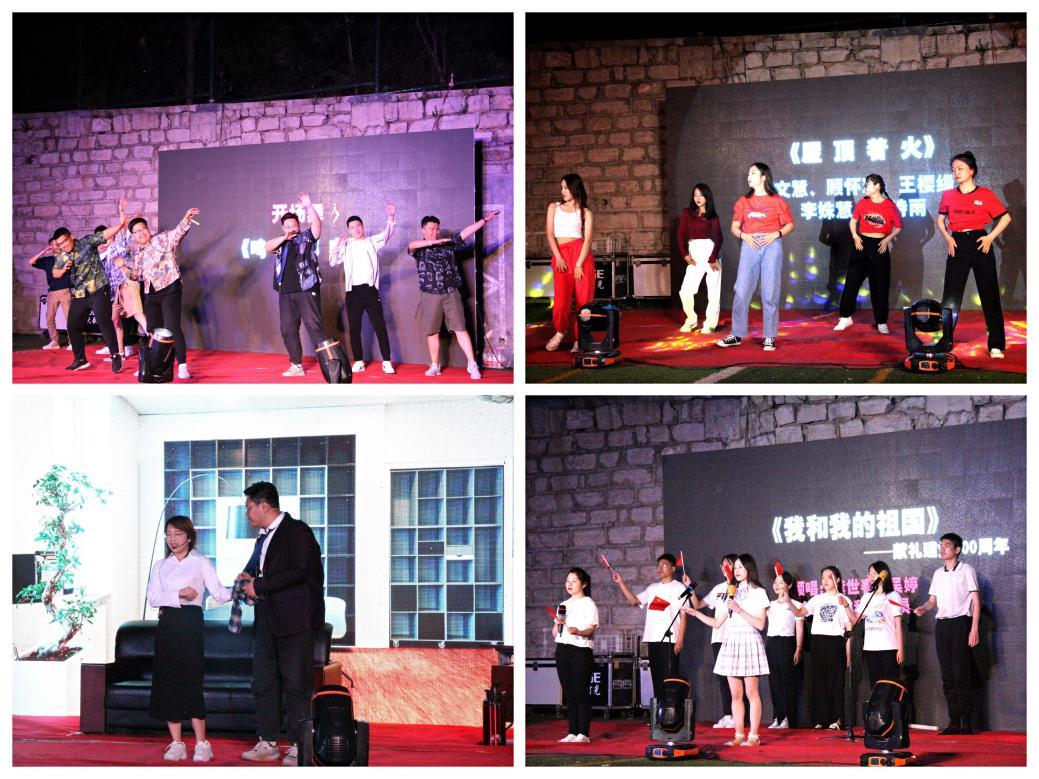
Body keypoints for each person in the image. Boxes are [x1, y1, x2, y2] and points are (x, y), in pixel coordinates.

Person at [238, 481, 325, 767]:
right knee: (264, 681)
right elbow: (262, 573)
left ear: (264, 506)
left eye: (248, 507)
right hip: (267, 618)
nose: (247, 514)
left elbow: (300, 571)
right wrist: (248, 579)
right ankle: (268, 742)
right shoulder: (262, 538)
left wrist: (259, 585)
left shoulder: (297, 532)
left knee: (296, 684)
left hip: (296, 621)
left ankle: (300, 745)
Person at [146, 516, 233, 762]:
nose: (172, 539)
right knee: (168, 682)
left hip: (191, 623)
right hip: (168, 624)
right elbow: (153, 598)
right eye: (168, 534)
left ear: (189, 536)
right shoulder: (160, 565)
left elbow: (218, 592)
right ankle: (177, 743)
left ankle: (202, 744)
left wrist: (239, 590)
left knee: (191, 680)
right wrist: (177, 593)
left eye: (177, 534)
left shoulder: (201, 562)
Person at [683, 554, 770, 747]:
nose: (736, 571)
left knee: (751, 693)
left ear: (749, 569)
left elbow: (760, 624)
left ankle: (753, 736)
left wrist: (739, 609)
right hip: (731, 642)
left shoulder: (759, 592)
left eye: (740, 567)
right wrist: (695, 613)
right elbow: (717, 622)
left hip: (749, 640)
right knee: (735, 694)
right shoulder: (730, 591)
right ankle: (739, 735)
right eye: (735, 568)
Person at [935, 151, 1013, 358]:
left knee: (990, 294)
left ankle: (996, 345)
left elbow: (1005, 218)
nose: (956, 173)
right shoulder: (948, 195)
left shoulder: (985, 194)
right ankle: (945, 341)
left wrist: (990, 238)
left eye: (960, 169)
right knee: (951, 296)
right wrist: (948, 237)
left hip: (980, 243)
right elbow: (940, 220)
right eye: (953, 170)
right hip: (957, 243)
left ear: (972, 170)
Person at [406, 210, 500, 379]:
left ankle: (472, 364)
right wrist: (433, 242)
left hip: (451, 293)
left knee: (460, 328)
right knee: (432, 331)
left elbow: (466, 232)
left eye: (437, 228)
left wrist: (485, 220)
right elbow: (411, 245)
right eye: (431, 229)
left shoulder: (447, 244)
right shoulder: (419, 249)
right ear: (423, 230)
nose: (435, 231)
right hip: (430, 294)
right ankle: (434, 365)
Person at [717, 162, 794, 352]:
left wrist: (776, 234)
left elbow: (790, 225)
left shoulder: (777, 200)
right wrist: (744, 235)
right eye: (748, 174)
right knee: (742, 289)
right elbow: (735, 227)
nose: (748, 176)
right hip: (749, 244)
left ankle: (769, 336)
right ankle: (736, 334)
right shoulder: (743, 201)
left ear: (763, 177)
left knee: (770, 291)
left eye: (753, 173)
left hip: (771, 245)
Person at [51, 198, 130, 372]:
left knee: (104, 321)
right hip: (80, 294)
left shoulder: (87, 242)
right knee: (72, 325)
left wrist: (121, 224)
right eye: (60, 244)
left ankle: (116, 356)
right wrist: (63, 270)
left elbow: (105, 234)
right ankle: (80, 359)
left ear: (71, 236)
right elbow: (54, 272)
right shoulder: (62, 256)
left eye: (65, 241)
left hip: (98, 289)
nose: (63, 246)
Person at [913, 532, 981, 735]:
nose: (942, 549)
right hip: (942, 626)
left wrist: (974, 628)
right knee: (948, 675)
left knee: (961, 674)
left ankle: (966, 723)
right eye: (941, 545)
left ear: (957, 549)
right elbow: (932, 601)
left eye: (947, 545)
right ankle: (954, 722)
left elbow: (976, 601)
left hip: (961, 624)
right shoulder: (938, 574)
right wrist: (924, 608)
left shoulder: (967, 570)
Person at [122, 204, 200, 379]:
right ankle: (153, 366)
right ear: (133, 236)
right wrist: (123, 268)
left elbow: (178, 233)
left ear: (148, 229)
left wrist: (186, 219)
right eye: (136, 232)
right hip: (151, 293)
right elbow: (137, 275)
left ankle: (182, 365)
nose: (141, 233)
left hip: (170, 288)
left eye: (143, 229)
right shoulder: (137, 254)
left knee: (172, 326)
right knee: (153, 329)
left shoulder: (162, 239)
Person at [264, 193, 330, 378]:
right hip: (285, 292)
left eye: (293, 225)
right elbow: (267, 247)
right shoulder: (281, 243)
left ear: (298, 225)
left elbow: (317, 226)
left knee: (314, 326)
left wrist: (309, 207)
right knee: (288, 329)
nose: (291, 229)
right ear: (282, 227)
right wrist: (284, 237)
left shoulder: (307, 237)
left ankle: (330, 363)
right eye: (287, 226)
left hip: (306, 289)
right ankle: (296, 365)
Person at [329, 204, 397, 374]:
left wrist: (390, 217)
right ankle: (359, 361)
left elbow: (388, 234)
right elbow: (333, 261)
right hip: (353, 292)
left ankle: (386, 361)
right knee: (354, 328)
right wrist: (338, 245)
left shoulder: (372, 241)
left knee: (380, 326)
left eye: (358, 226)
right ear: (349, 230)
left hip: (370, 290)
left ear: (363, 226)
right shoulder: (346, 245)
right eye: (352, 227)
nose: (356, 229)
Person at [610, 554, 688, 702]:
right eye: (658, 565)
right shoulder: (652, 588)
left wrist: (680, 639)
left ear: (673, 568)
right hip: (653, 639)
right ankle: (658, 711)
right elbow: (634, 600)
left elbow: (684, 616)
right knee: (656, 678)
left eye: (664, 565)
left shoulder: (679, 588)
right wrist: (621, 582)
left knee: (669, 679)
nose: (660, 568)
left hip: (670, 640)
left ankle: (671, 711)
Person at [834, 174, 902, 334]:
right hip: (862, 245)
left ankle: (881, 321)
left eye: (868, 184)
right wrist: (855, 236)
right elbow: (853, 221)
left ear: (877, 186)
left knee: (880, 287)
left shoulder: (889, 205)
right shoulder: (862, 203)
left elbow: (899, 226)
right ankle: (845, 317)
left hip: (880, 247)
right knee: (851, 283)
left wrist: (887, 240)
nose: (865, 187)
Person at [787, 566, 852, 729]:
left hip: (835, 642)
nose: (825, 581)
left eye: (829, 577)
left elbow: (849, 627)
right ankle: (820, 719)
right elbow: (800, 612)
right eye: (822, 577)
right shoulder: (817, 599)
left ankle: (836, 720)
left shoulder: (844, 600)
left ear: (837, 580)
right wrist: (788, 600)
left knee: (835, 682)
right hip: (817, 642)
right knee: (818, 681)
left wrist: (848, 653)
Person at [682, 553, 740, 728]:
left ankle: (738, 715)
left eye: (729, 565)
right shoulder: (718, 588)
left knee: (736, 678)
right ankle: (728, 714)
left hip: (736, 637)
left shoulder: (741, 588)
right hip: (718, 637)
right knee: (722, 678)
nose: (725, 568)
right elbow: (698, 604)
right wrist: (689, 588)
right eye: (723, 565)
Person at [544, 173, 594, 353]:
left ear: (575, 188)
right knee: (561, 301)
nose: (563, 191)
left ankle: (580, 338)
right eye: (562, 188)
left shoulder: (586, 212)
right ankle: (560, 332)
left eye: (566, 188)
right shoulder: (554, 207)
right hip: (561, 256)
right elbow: (550, 234)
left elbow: (587, 240)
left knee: (584, 301)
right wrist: (558, 256)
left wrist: (579, 264)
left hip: (581, 257)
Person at [553, 566, 598, 744]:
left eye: (574, 581)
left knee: (581, 692)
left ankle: (583, 733)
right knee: (569, 692)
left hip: (580, 650)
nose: (569, 584)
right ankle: (572, 731)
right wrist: (557, 623)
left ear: (584, 584)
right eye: (567, 581)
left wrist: (577, 631)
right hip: (562, 649)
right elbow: (555, 634)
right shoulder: (563, 605)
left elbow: (590, 630)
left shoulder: (588, 603)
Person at [97, 225, 149, 362]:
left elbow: (123, 236)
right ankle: (120, 354)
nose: (103, 239)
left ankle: (156, 343)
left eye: (105, 235)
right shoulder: (105, 254)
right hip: (116, 291)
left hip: (128, 283)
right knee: (115, 320)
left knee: (138, 315)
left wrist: (122, 221)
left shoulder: (118, 245)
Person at [676, 183, 723, 333]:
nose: (698, 198)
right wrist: (684, 254)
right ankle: (691, 320)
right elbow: (680, 235)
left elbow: (719, 238)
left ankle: (710, 324)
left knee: (713, 292)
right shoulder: (687, 213)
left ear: (707, 197)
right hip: (694, 255)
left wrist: (712, 258)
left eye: (701, 195)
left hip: (711, 254)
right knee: (685, 291)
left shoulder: (712, 216)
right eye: (695, 195)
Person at [850, 561, 904, 690]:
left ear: (883, 575)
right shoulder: (867, 597)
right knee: (875, 685)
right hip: (870, 648)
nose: (871, 576)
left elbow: (898, 624)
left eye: (874, 573)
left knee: (890, 686)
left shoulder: (893, 595)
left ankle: (890, 705)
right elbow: (855, 620)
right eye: (869, 574)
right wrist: (846, 606)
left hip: (889, 648)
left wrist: (900, 649)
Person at [765, 570, 804, 729]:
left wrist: (798, 648)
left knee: (787, 682)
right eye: (775, 582)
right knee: (774, 682)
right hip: (771, 643)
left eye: (781, 582)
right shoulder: (769, 605)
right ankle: (778, 717)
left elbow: (799, 628)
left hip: (787, 643)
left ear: (789, 585)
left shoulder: (796, 605)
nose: (777, 585)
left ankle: (788, 718)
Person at [28, 239, 72, 350]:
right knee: (49, 318)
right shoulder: (47, 260)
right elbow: (31, 262)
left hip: (65, 290)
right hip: (52, 291)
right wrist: (44, 251)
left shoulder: (66, 257)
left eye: (58, 244)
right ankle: (54, 342)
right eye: (54, 244)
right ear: (50, 246)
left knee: (70, 318)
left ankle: (73, 342)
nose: (57, 246)